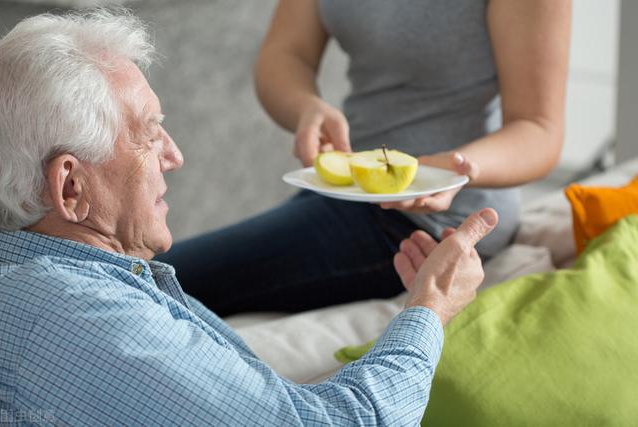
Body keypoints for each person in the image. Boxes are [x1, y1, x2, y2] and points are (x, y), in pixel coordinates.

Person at [0, 10, 500, 426]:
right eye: (149, 134)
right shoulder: (93, 321)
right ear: (71, 186)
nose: (174, 156)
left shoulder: (64, 280)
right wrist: (431, 308)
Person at [157, 0, 571, 317]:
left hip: (437, 222)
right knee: (141, 275)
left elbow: (538, 129)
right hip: (346, 194)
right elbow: (286, 53)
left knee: (158, 280)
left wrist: (454, 171)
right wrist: (305, 107)